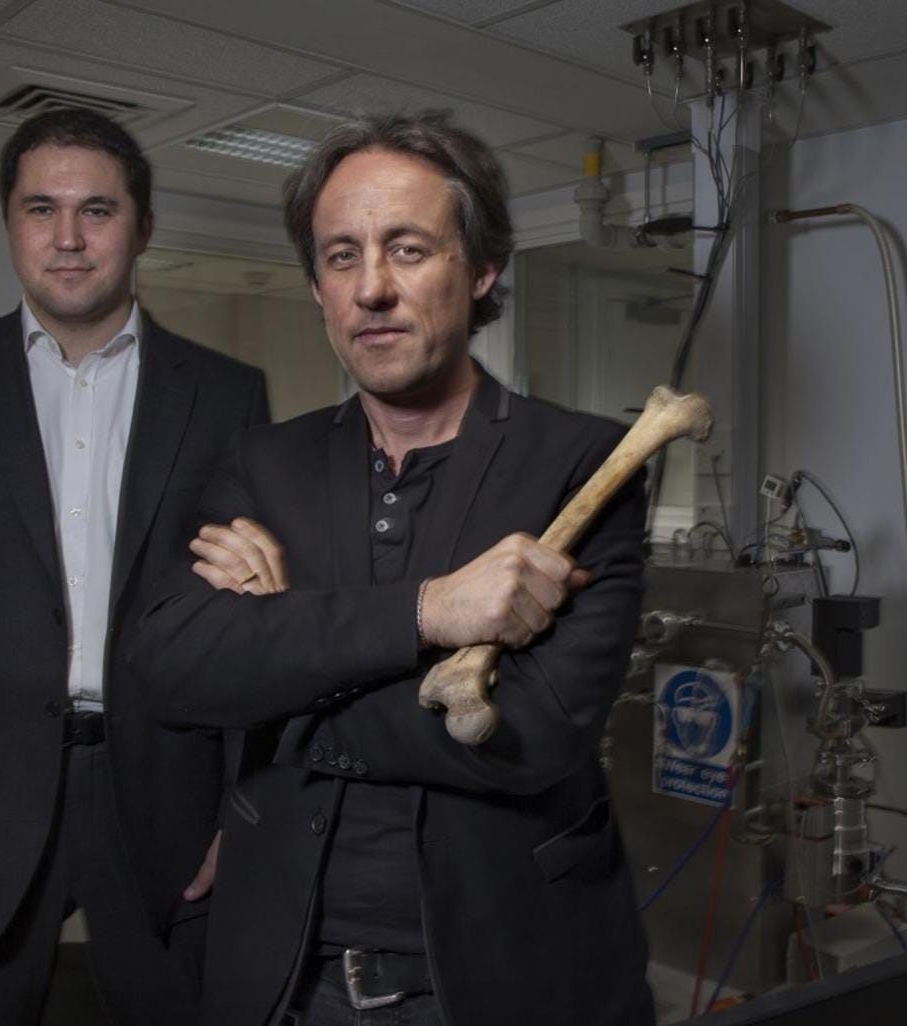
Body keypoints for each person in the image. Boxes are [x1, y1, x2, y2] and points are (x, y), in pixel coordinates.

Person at [132, 111, 652, 1026]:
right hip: (286, 975)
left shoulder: (581, 466)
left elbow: (531, 737)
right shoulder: (262, 464)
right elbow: (171, 670)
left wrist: (284, 662)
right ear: (317, 286)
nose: (371, 288)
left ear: (481, 269)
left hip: (501, 976)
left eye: (408, 250)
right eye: (342, 257)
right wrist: (427, 613)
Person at [0, 107, 269, 1024]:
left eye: (97, 210)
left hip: (165, 794)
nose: (68, 237)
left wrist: (243, 810)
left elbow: (244, 628)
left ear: (141, 227)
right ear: (11, 224)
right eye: (41, 209)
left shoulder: (226, 395)